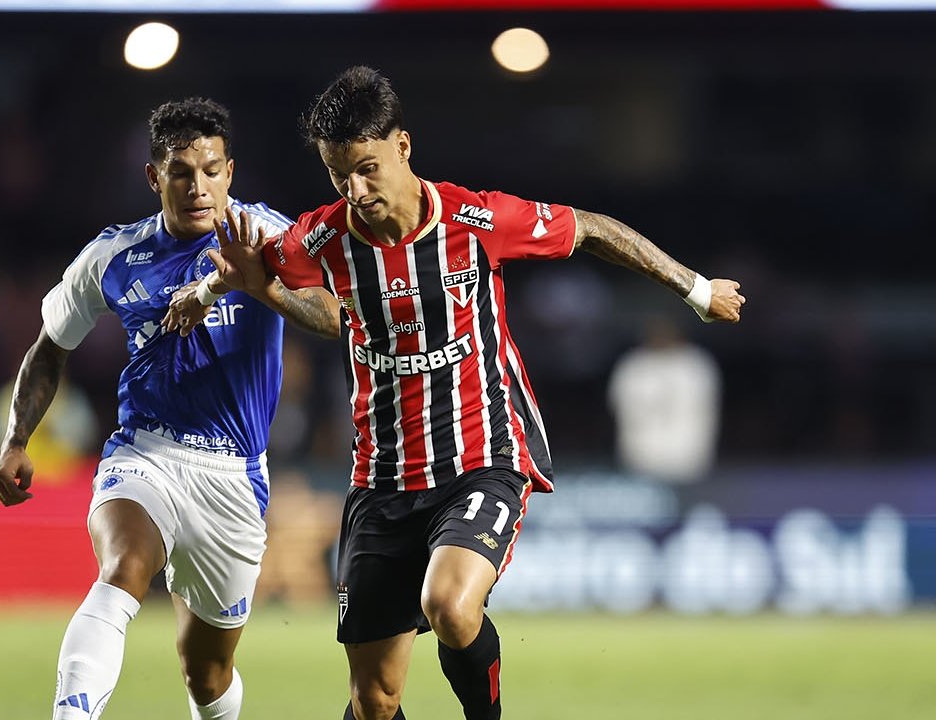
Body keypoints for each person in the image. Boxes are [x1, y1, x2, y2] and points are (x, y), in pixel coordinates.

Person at [164, 66, 745, 720]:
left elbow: (591, 228)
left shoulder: (476, 219)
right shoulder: (322, 237)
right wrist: (234, 289)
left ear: (402, 147)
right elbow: (331, 315)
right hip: (381, 480)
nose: (355, 189)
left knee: (450, 604)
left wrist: (696, 290)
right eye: (338, 174)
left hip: (481, 458)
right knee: (374, 701)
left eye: (367, 168)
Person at [0, 97, 318, 720]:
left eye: (212, 170)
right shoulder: (113, 257)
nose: (198, 187)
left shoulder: (268, 238)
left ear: (231, 170)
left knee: (207, 674)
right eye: (181, 173)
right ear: (153, 177)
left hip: (234, 478)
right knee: (123, 568)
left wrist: (261, 285)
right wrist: (16, 439)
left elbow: (334, 317)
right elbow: (48, 348)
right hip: (146, 455)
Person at [608, 315, 722, 483]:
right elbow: (619, 407)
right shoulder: (632, 365)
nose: (661, 336)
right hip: (641, 456)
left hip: (689, 456)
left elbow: (706, 410)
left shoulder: (696, 363)